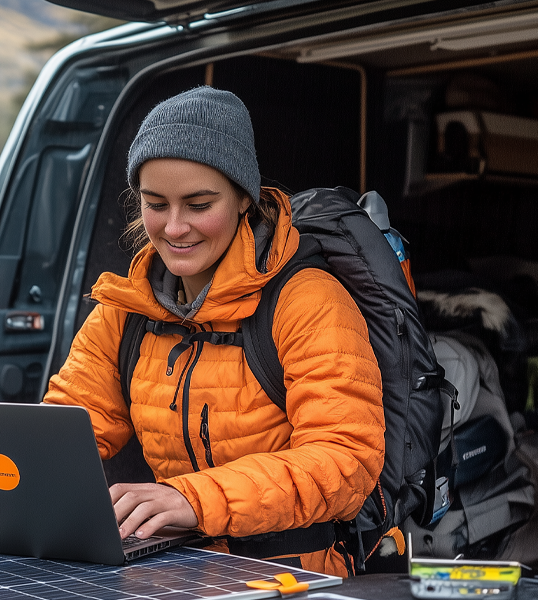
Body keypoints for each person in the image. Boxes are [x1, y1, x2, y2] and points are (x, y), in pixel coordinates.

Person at [42, 86, 385, 577]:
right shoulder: (127, 309)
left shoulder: (307, 300)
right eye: (155, 203)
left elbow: (346, 461)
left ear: (245, 197)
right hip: (176, 569)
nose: (175, 227)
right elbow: (65, 429)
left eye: (199, 204)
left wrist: (192, 498)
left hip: (294, 575)